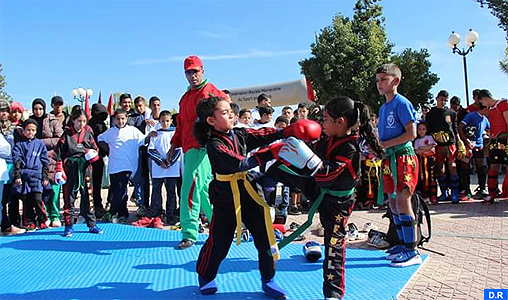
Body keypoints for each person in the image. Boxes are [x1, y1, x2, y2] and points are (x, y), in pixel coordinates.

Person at [193, 96, 320, 298]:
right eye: (225, 112)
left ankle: (269, 279)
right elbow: (239, 164)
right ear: (211, 120)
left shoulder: (239, 133)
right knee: (219, 242)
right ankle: (206, 276)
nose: (231, 114)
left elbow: (261, 134)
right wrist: (272, 152)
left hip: (250, 192)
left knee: (265, 238)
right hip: (226, 197)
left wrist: (285, 131)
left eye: (231, 110)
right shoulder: (214, 144)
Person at [265, 96, 382, 299]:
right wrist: (291, 144)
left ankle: (333, 294)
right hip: (320, 190)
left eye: (326, 119)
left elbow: (325, 174)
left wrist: (303, 155)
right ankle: (255, 184)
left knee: (334, 246)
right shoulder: (328, 138)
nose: (322, 123)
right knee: (278, 166)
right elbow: (311, 163)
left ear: (341, 122)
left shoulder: (350, 147)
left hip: (338, 203)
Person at [167, 55, 228, 249]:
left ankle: (189, 233)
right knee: (201, 190)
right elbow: (181, 125)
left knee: (189, 188)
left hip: (203, 147)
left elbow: (227, 110)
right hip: (189, 149)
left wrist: (216, 137)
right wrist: (173, 146)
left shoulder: (211, 92)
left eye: (195, 71)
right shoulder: (184, 99)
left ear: (202, 70)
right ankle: (224, 226)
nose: (192, 75)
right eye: (189, 72)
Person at [376, 63, 421, 267]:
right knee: (393, 202)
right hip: (388, 159)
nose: (379, 83)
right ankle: (402, 244)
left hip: (403, 157)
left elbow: (411, 133)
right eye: (377, 80)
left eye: (384, 79)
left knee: (403, 199)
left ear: (396, 80)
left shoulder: (402, 103)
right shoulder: (383, 107)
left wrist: (385, 145)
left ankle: (412, 249)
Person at [98, 109, 152, 223]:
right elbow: (100, 139)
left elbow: (143, 141)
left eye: (123, 118)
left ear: (127, 119)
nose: (120, 121)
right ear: (114, 119)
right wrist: (108, 150)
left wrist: (151, 135)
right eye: (118, 119)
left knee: (122, 190)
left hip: (127, 166)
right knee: (115, 189)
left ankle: (121, 212)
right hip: (114, 166)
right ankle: (115, 211)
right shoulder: (110, 132)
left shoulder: (133, 131)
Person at [56, 109, 102, 237]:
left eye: (83, 121)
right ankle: (69, 225)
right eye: (79, 121)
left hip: (85, 168)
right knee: (69, 197)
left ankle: (92, 224)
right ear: (73, 120)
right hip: (70, 168)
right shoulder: (66, 135)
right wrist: (59, 169)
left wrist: (92, 156)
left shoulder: (88, 134)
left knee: (88, 196)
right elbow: (58, 154)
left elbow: (96, 150)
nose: (81, 124)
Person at [425, 90, 463, 203]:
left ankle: (455, 192)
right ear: (437, 98)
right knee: (439, 168)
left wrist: (459, 142)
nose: (443, 102)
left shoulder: (451, 113)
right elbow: (428, 129)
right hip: (437, 144)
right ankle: (444, 192)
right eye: (441, 99)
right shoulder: (431, 113)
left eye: (445, 100)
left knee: (452, 166)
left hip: (450, 144)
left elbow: (455, 129)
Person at [32, 98, 65, 227]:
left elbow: (59, 138)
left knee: (54, 189)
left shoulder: (53, 120)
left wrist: (41, 143)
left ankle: (55, 215)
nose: (38, 111)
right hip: (35, 160)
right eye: (35, 109)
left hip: (52, 157)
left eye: (40, 109)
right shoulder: (30, 121)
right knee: (41, 190)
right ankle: (43, 216)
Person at [12, 119, 50, 230]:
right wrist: (18, 176)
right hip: (25, 176)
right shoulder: (19, 145)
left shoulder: (40, 144)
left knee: (38, 199)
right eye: (28, 130)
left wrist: (45, 177)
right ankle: (30, 221)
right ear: (23, 131)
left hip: (37, 176)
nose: (30, 132)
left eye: (33, 130)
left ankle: (42, 220)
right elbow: (17, 160)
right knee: (27, 201)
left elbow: (45, 161)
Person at [145, 111, 181, 225]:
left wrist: (169, 163)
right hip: (158, 168)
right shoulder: (155, 134)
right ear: (159, 122)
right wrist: (161, 162)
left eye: (167, 121)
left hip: (172, 168)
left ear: (171, 121)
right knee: (156, 191)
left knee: (171, 192)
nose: (165, 123)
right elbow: (151, 149)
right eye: (162, 121)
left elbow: (178, 149)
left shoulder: (175, 134)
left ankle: (171, 215)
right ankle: (156, 213)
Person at [477, 89, 508, 203]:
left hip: (505, 140)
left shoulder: (502, 104)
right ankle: (492, 194)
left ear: (485, 98)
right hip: (494, 142)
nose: (483, 105)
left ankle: (506, 191)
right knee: (493, 166)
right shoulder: (490, 110)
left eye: (482, 102)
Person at [458, 104, 490, 199]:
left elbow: (489, 129)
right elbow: (460, 127)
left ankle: (482, 188)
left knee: (481, 167)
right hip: (468, 147)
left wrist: (486, 136)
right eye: (488, 109)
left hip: (479, 146)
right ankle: (466, 190)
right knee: (465, 167)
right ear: (485, 108)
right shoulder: (471, 115)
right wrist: (466, 140)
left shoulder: (485, 119)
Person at [88, 103, 110, 218]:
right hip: (98, 158)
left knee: (90, 184)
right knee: (96, 184)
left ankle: (91, 206)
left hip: (89, 158)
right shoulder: (99, 125)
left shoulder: (88, 124)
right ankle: (97, 206)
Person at [414, 122, 438, 204]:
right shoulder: (417, 141)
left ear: (426, 130)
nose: (421, 131)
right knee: (423, 178)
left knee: (432, 177)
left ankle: (434, 196)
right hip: (422, 161)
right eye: (419, 129)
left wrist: (422, 148)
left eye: (423, 129)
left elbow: (433, 146)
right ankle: (426, 196)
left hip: (430, 160)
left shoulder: (429, 137)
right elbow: (417, 151)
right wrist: (427, 148)